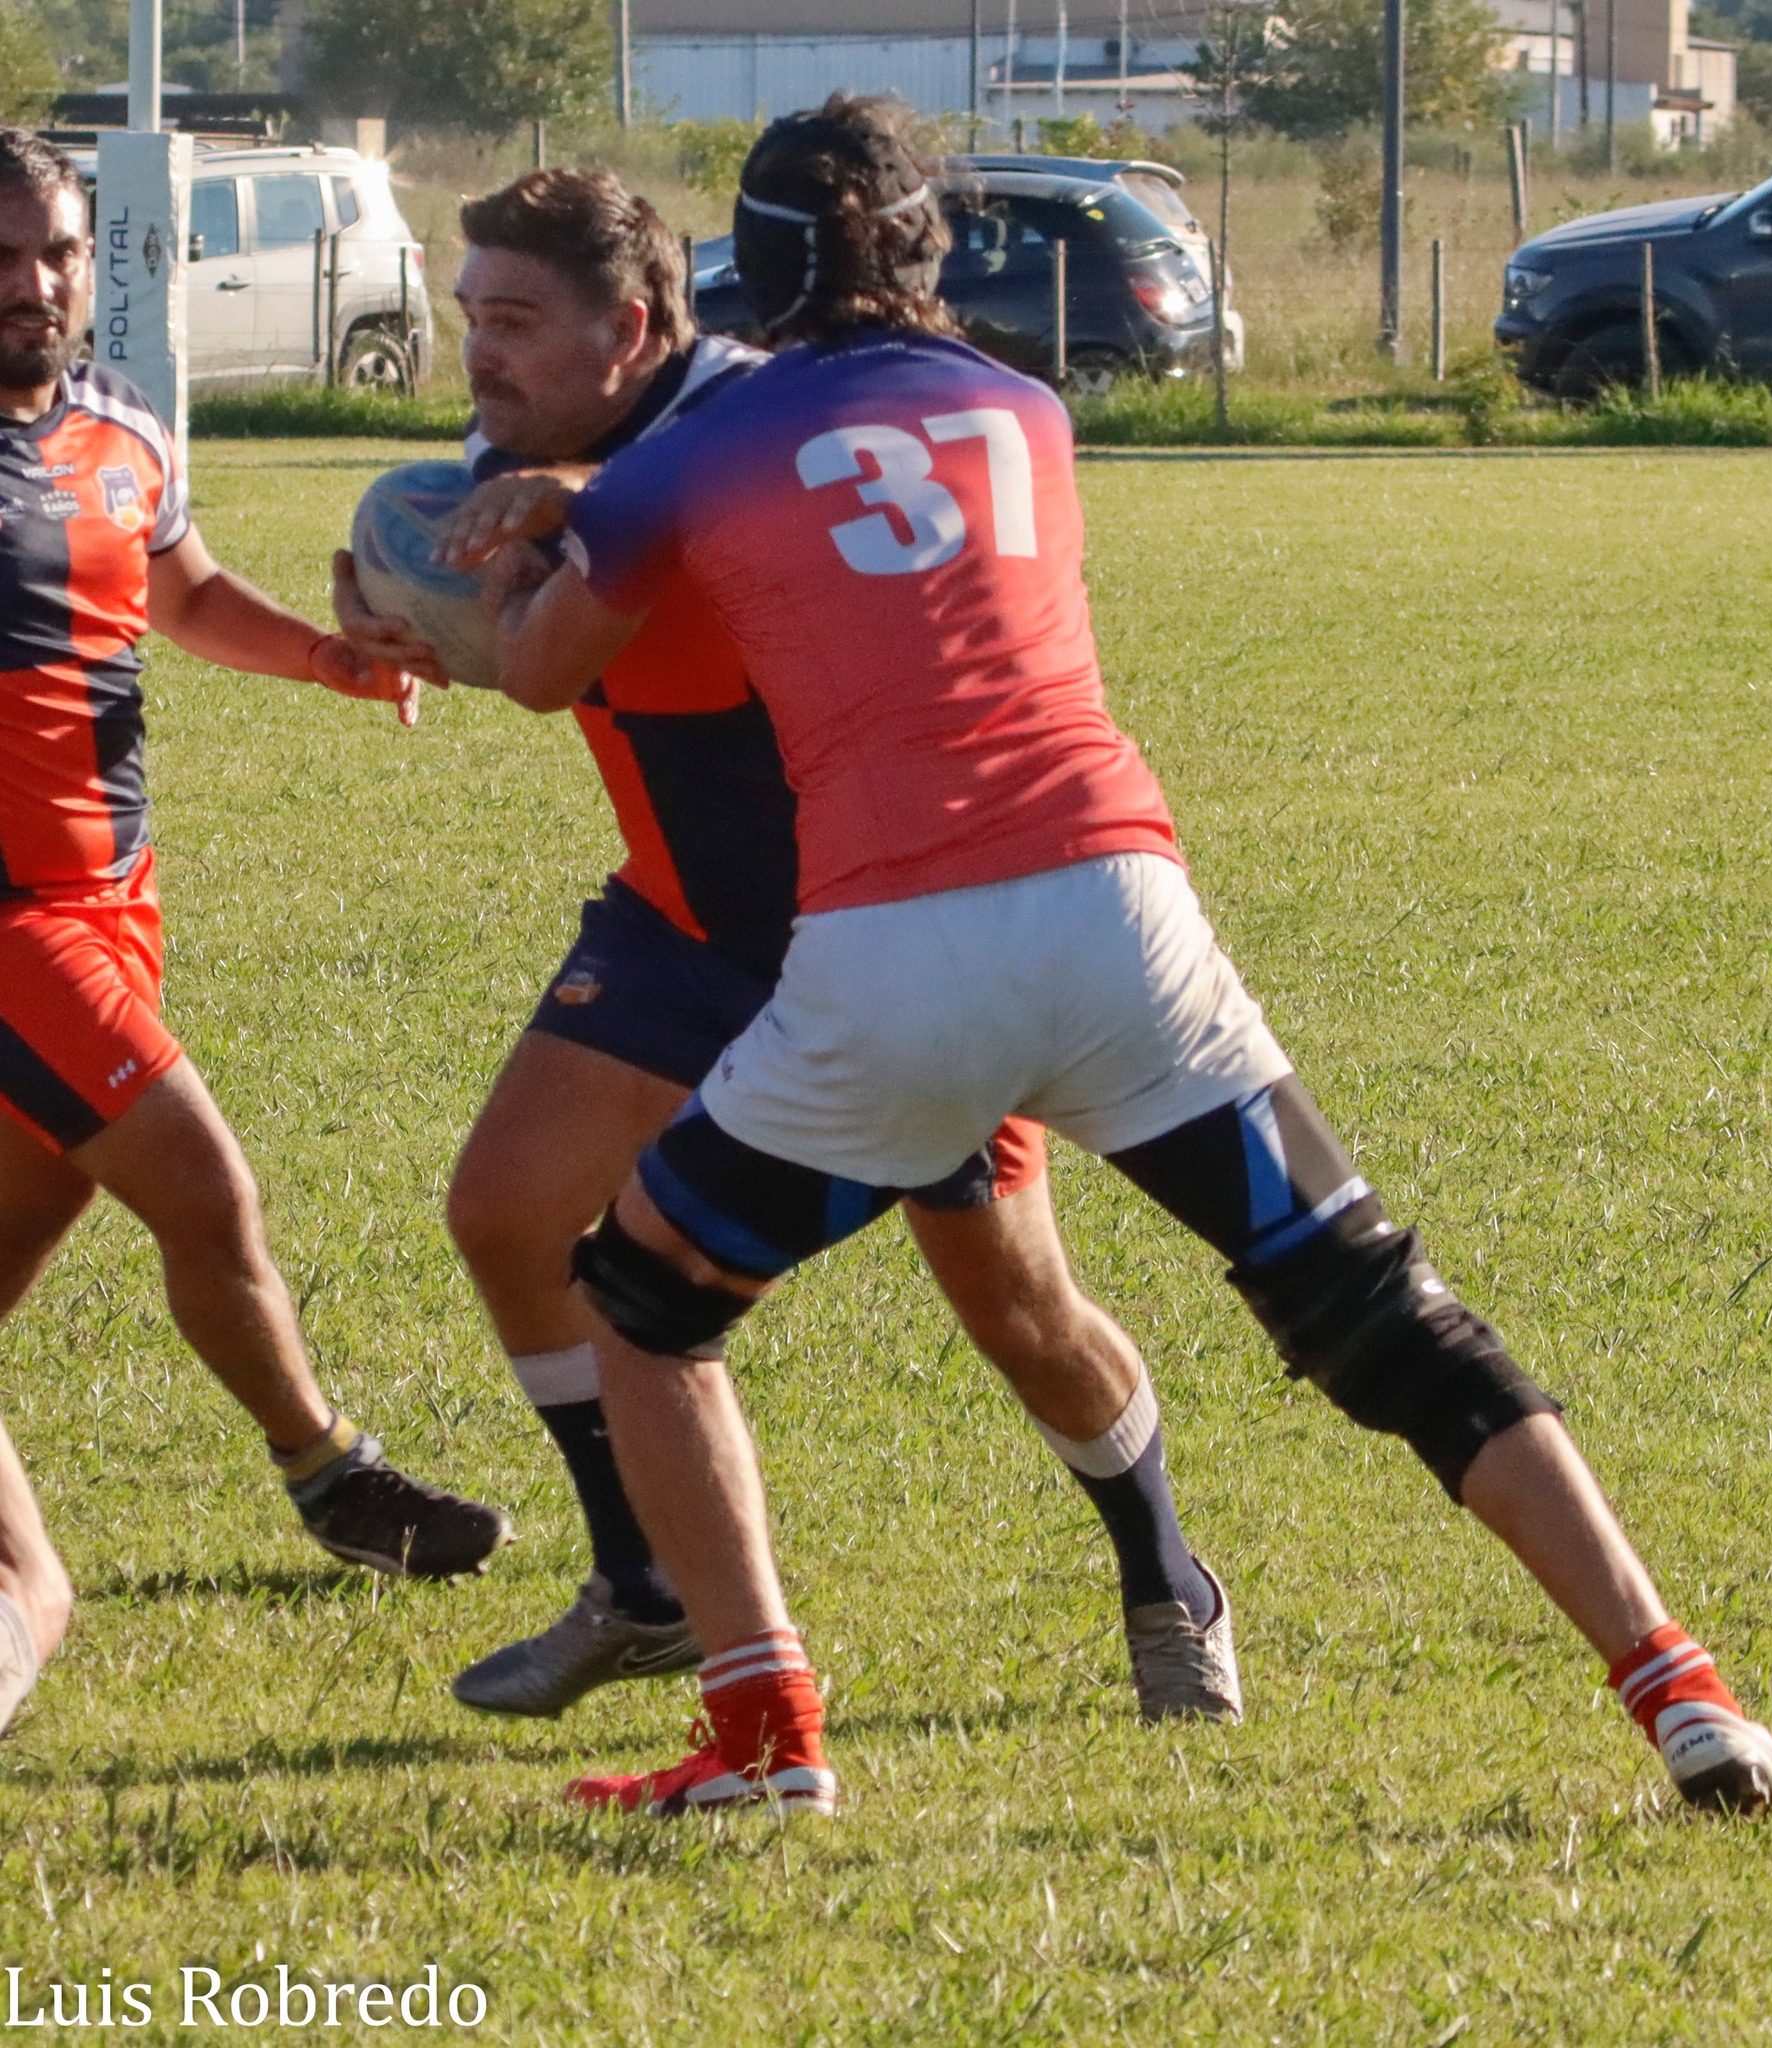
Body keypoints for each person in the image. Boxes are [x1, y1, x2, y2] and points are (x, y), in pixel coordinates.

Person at [461, 97, 1772, 1824]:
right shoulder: (1028, 408)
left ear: (756, 264)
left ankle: (764, 1740)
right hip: (1121, 914)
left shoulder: (686, 460)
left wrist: (517, 556)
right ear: (928, 245)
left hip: (890, 949)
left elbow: (541, 667)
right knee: (1386, 1319)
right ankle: (1689, 1699)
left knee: (645, 1307)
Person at [334, 167, 1237, 1725]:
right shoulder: (509, 454)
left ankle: (1166, 1576)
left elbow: (747, 547)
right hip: (687, 920)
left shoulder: (764, 420)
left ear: (633, 327)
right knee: (508, 1211)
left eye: (517, 321)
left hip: (884, 929)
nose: (479, 353)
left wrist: (574, 515)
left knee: (1017, 1311)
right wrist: (413, 613)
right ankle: (645, 1586)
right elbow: (557, 643)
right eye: (469, 315)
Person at [0, 130, 511, 1734]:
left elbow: (183, 592)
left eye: (55, 252)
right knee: (205, 1186)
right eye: (0, 258)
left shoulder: (123, 425)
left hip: (114, 900)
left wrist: (330, 659)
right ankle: (328, 1470)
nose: (32, 283)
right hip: (11, 926)